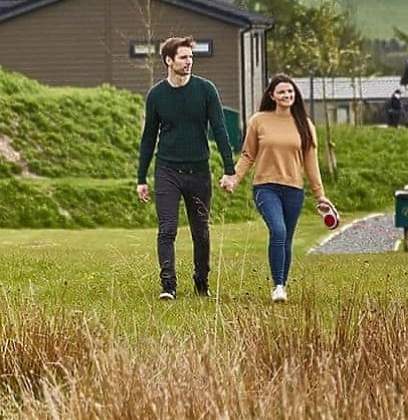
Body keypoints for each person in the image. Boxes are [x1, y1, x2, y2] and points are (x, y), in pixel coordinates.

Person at [136, 36, 237, 300]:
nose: (189, 61)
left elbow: (220, 130)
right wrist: (141, 177)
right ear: (169, 60)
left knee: (200, 231)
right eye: (183, 57)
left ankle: (201, 282)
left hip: (199, 171)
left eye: (191, 57)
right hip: (167, 169)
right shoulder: (157, 95)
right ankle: (168, 285)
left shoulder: (206, 90)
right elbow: (148, 138)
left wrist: (229, 169)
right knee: (167, 228)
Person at [221, 74, 332, 303]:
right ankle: (278, 286)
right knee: (278, 231)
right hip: (266, 187)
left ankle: (282, 284)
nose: (287, 95)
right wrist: (234, 178)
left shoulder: (305, 124)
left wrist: (320, 195)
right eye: (282, 92)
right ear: (272, 95)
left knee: (287, 239)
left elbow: (311, 163)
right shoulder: (259, 120)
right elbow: (248, 155)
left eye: (290, 92)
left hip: (294, 189)